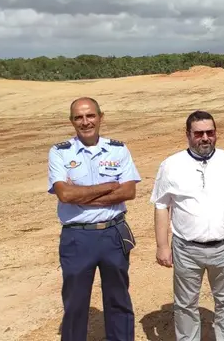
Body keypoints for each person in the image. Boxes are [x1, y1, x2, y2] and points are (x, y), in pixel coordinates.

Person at [150, 110, 224, 341]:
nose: (205, 138)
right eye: (198, 133)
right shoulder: (171, 165)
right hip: (186, 249)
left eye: (210, 132)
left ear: (216, 133)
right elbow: (161, 206)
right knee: (185, 304)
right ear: (188, 135)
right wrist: (162, 246)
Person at [47, 97, 141, 341]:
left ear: (101, 117)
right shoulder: (59, 152)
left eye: (90, 116)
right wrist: (109, 187)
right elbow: (65, 194)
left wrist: (82, 195)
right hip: (77, 237)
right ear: (72, 121)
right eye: (79, 117)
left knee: (118, 299)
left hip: (113, 233)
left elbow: (128, 191)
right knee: (75, 305)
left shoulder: (118, 149)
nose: (85, 122)